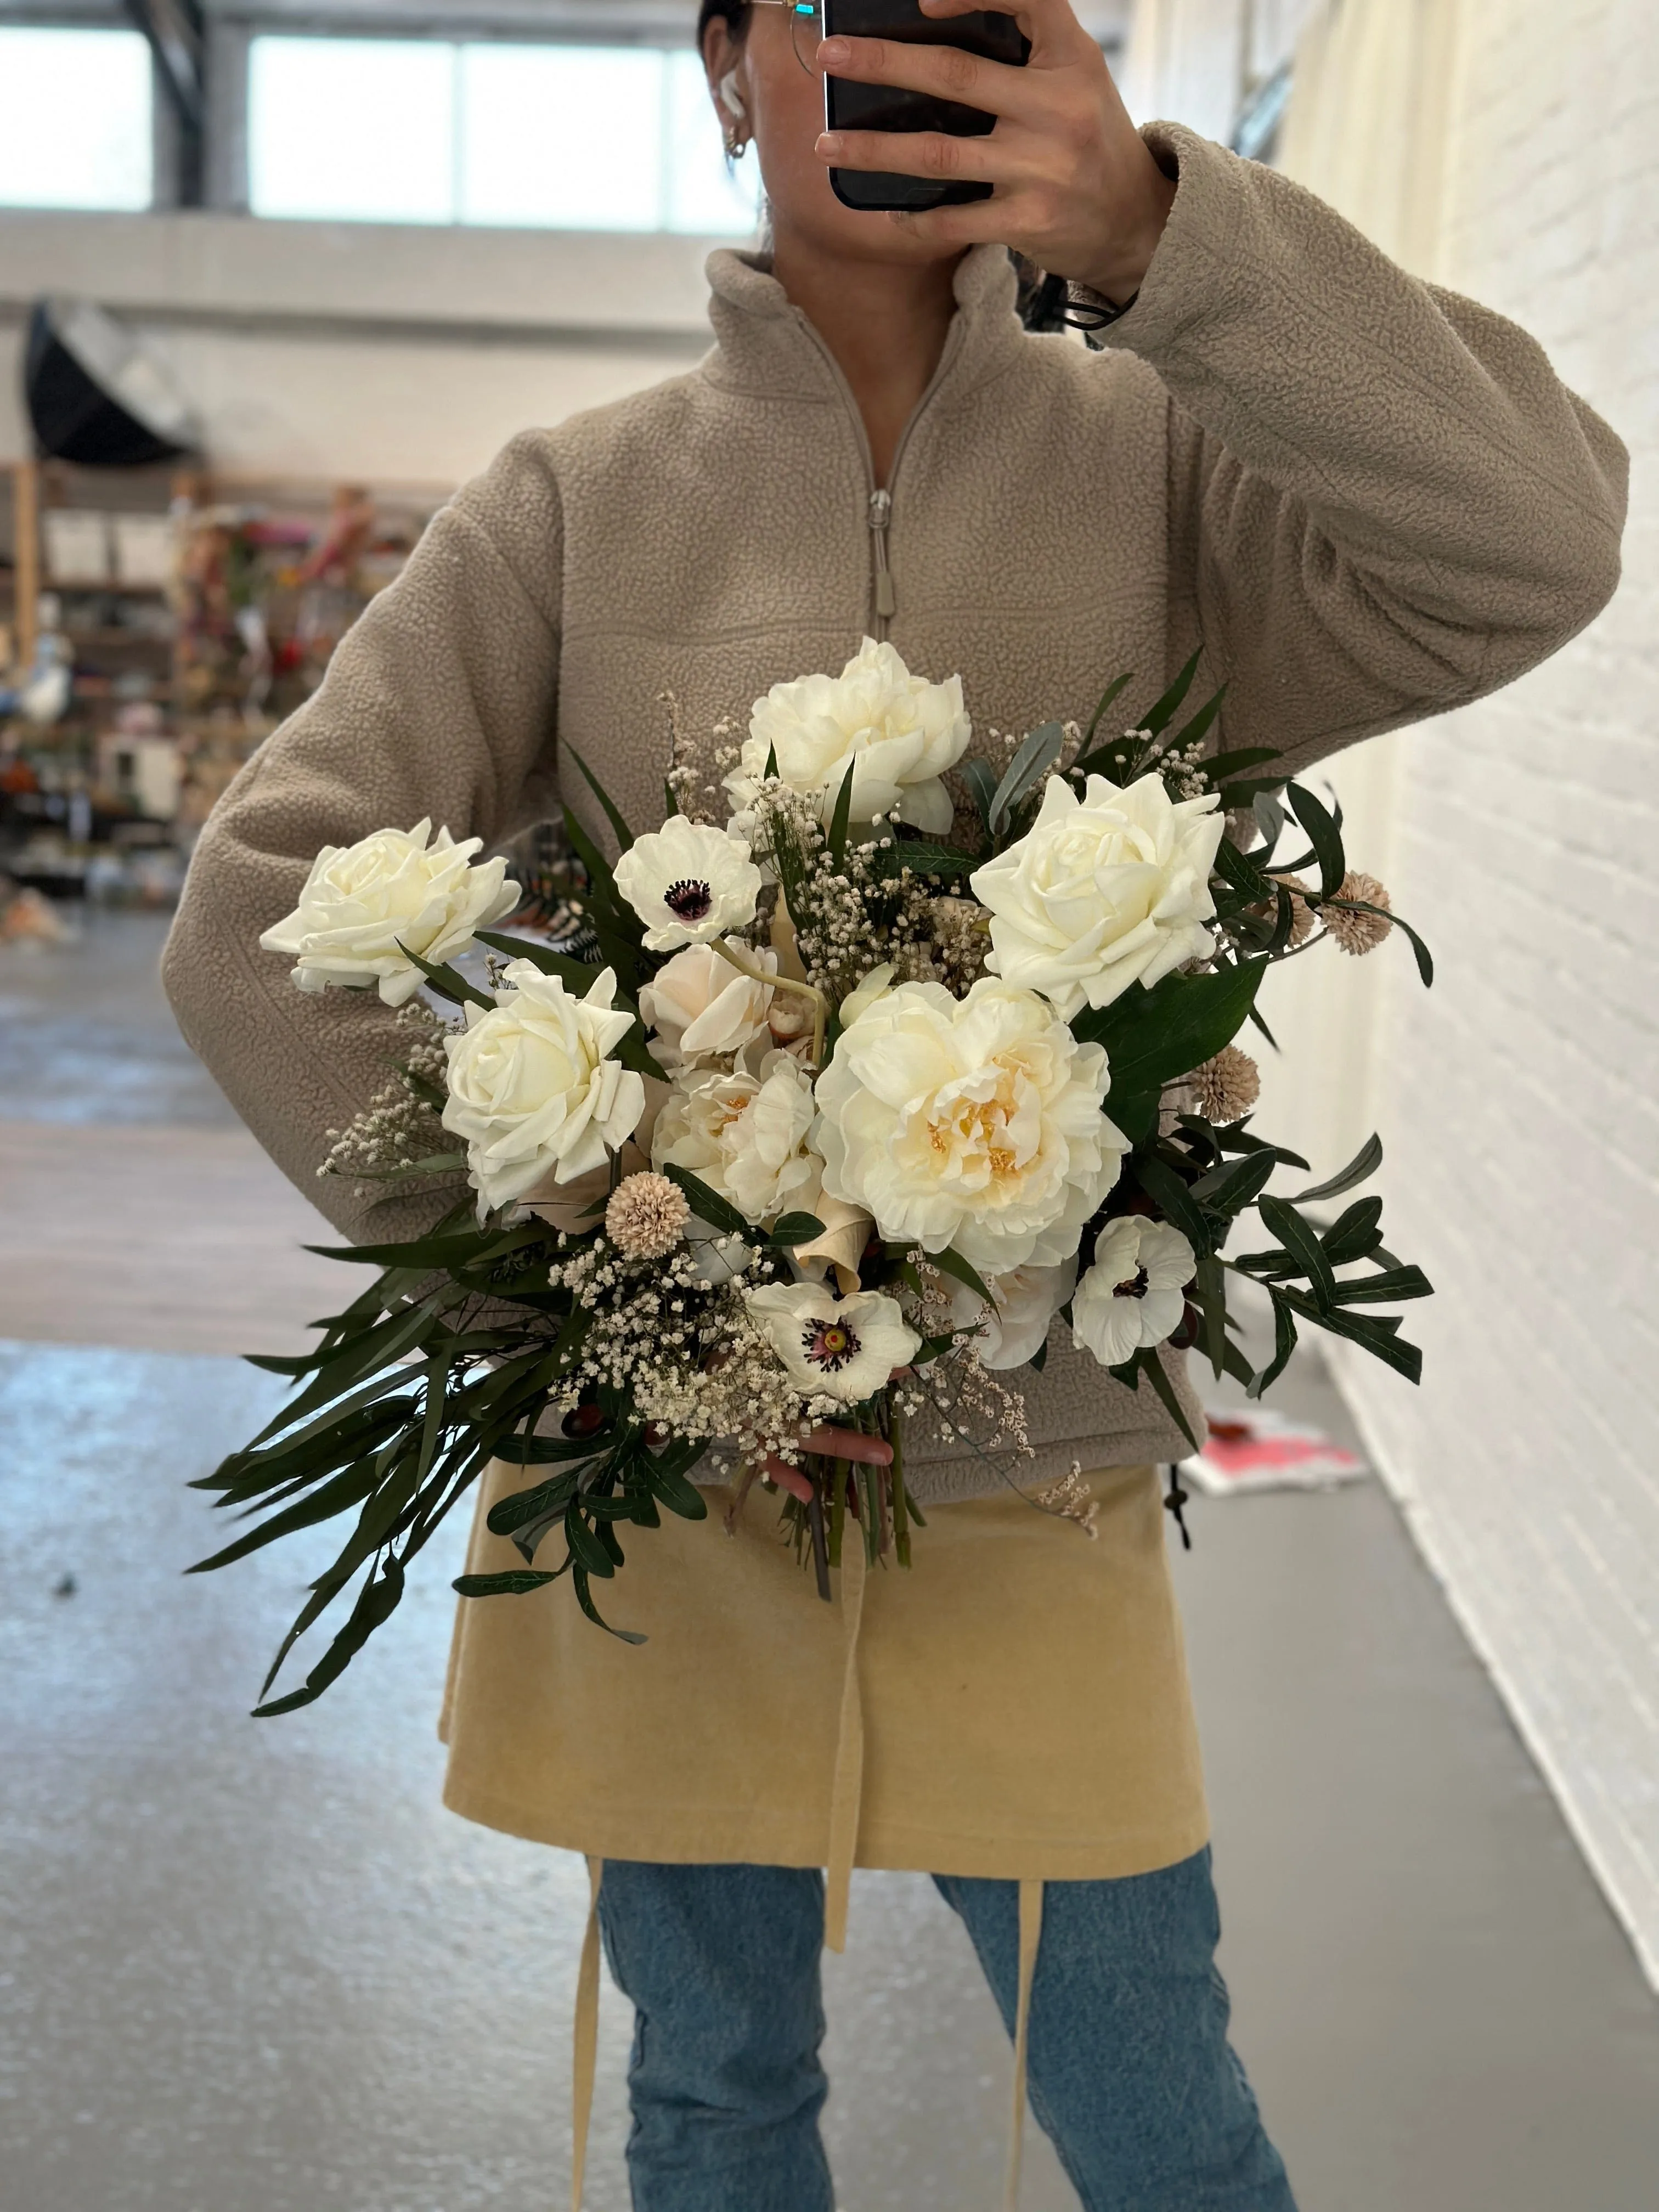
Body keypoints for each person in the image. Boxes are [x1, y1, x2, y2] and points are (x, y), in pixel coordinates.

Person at [163, 3, 1627, 2207]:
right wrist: (605, 1313)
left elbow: (1538, 539)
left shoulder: (1165, 473)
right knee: (716, 2096)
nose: (890, 47)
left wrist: (1157, 229)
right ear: (727, 65)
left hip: (1037, 1473)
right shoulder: (572, 504)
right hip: (666, 1495)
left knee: (1162, 2116)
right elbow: (254, 915)